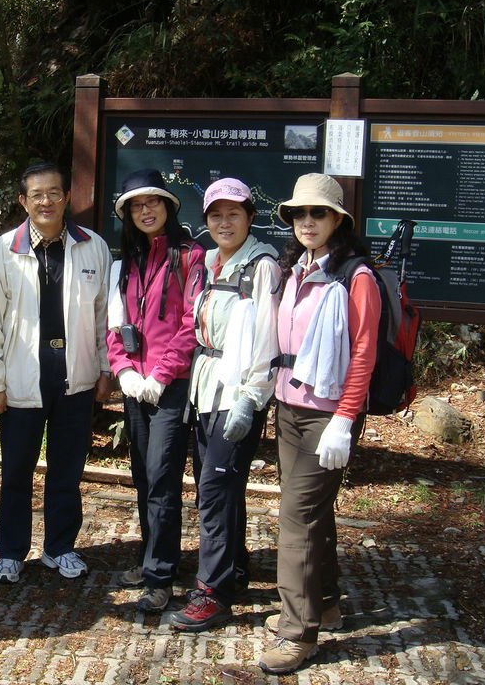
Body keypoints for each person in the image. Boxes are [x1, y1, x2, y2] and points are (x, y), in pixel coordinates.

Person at [258, 173, 380, 674]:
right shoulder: (298, 268)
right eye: (300, 214)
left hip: (327, 414)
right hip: (289, 409)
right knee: (312, 514)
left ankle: (297, 632)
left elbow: (365, 353)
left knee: (295, 519)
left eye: (319, 213)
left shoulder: (356, 276)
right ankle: (323, 603)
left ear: (338, 221)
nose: (308, 221)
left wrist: (345, 419)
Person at [0, 162, 112, 584]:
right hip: (22, 377)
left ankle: (61, 547)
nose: (46, 201)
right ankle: (11, 552)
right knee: (16, 469)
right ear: (23, 201)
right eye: (37, 194)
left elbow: (106, 313)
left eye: (54, 192)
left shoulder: (92, 246)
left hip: (76, 376)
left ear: (66, 197)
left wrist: (106, 368)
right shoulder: (4, 249)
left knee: (67, 469)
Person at [169, 177, 281, 632]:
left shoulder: (262, 266)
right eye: (216, 214)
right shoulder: (211, 262)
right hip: (206, 390)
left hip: (237, 394)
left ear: (250, 217)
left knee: (214, 493)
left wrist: (251, 398)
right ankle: (233, 569)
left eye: (234, 213)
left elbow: (267, 337)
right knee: (218, 487)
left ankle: (211, 592)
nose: (224, 222)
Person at [105, 168, 205, 612]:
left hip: (172, 386)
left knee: (163, 477)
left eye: (154, 203)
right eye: (137, 206)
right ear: (127, 214)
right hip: (135, 386)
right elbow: (114, 325)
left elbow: (191, 323)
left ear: (168, 207)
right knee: (144, 475)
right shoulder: (125, 261)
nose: (146, 211)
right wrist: (123, 370)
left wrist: (161, 374)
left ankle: (159, 576)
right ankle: (154, 559)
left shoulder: (190, 256)